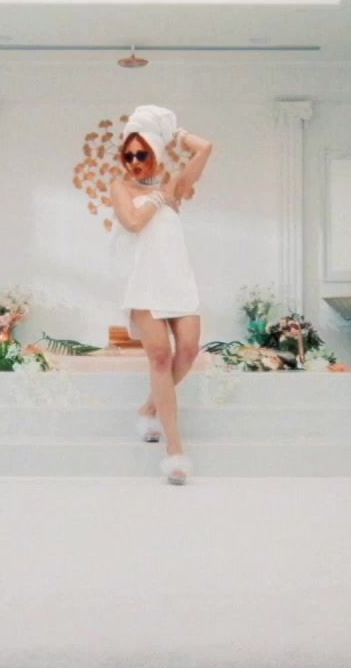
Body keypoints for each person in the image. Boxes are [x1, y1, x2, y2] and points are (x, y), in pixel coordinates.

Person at [109, 105, 213, 485]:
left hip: (177, 281)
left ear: (155, 151)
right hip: (143, 285)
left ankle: (149, 407)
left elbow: (205, 148)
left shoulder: (174, 188)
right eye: (129, 155)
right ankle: (175, 449)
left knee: (188, 350)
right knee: (160, 357)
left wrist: (176, 134)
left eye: (142, 154)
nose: (134, 162)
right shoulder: (121, 187)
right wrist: (156, 198)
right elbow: (132, 222)